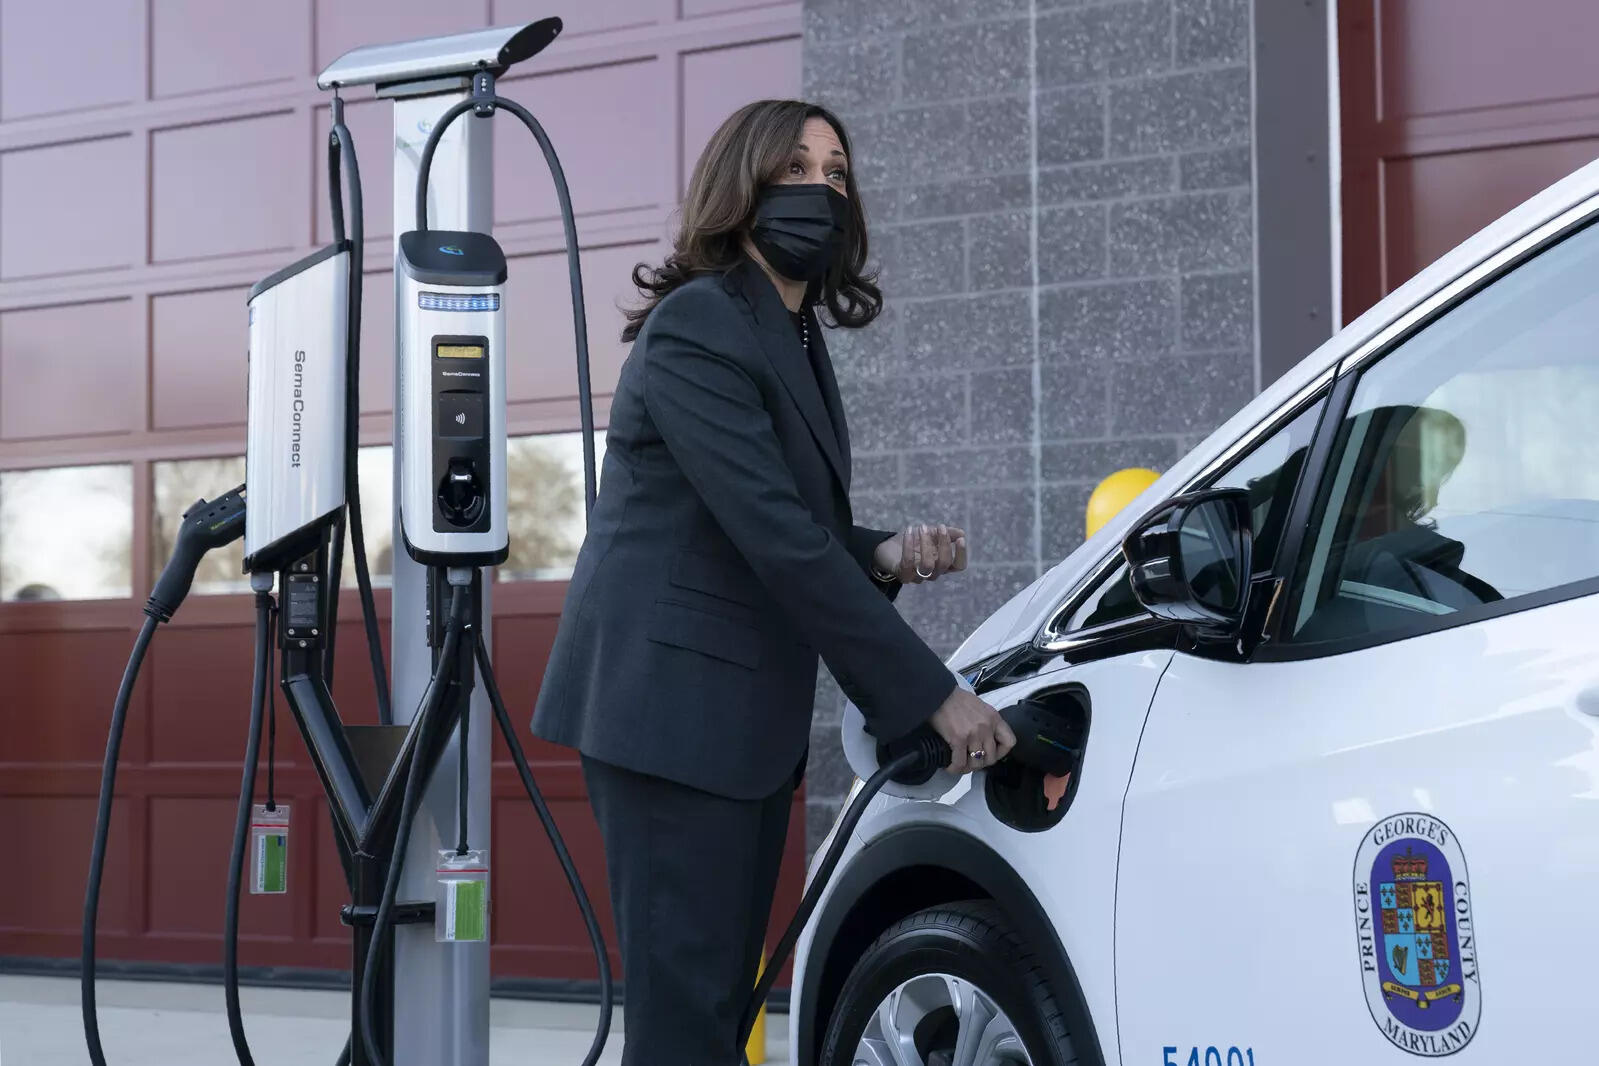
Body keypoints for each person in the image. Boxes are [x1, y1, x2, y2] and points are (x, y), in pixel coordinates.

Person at [531, 99, 1016, 1063]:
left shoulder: (790, 335)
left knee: (713, 1010)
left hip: (729, 720)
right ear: (741, 183)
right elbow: (776, 539)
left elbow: (771, 521)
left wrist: (879, 552)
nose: (820, 189)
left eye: (836, 174)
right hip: (668, 715)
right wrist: (930, 697)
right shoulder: (698, 324)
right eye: (796, 167)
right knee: (688, 1019)